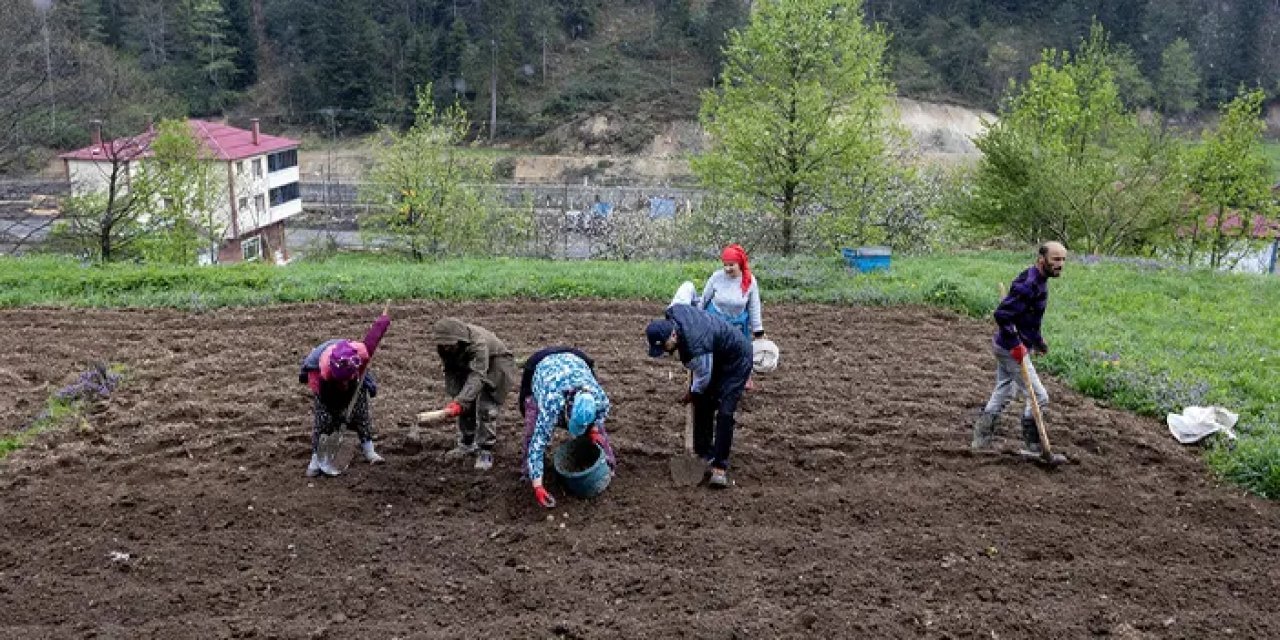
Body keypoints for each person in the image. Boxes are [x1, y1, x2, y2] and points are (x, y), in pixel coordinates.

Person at [971, 242, 1068, 454]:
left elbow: (1029, 318)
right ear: (1042, 259)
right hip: (1010, 348)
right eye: (1056, 259)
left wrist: (1038, 341)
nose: (1060, 264)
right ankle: (1034, 445)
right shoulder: (1030, 284)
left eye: (1063, 260)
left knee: (1004, 391)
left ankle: (981, 439)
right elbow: (1002, 315)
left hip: (1011, 345)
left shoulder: (1039, 280)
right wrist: (1016, 346)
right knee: (1040, 396)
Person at [645, 303, 752, 488]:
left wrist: (692, 392)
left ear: (673, 335)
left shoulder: (695, 351)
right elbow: (688, 286)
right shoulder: (675, 310)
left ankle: (720, 467)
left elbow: (703, 378)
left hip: (736, 359)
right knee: (703, 402)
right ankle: (704, 452)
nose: (665, 351)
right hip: (714, 353)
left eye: (664, 347)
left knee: (725, 412)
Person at [299, 304, 391, 477]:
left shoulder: (361, 353)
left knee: (361, 410)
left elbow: (374, 336)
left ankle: (369, 449)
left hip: (353, 372)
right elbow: (328, 400)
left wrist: (383, 320)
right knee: (324, 417)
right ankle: (316, 458)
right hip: (320, 375)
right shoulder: (323, 373)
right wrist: (340, 415)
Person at [522, 350, 615, 508]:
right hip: (543, 373)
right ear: (566, 411)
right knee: (532, 432)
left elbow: (599, 417)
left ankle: (607, 466)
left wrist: (593, 431)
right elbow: (537, 445)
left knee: (599, 433)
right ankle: (528, 475)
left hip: (576, 363)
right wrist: (538, 486)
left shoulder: (600, 400)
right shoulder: (551, 403)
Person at [429, 318, 516, 471]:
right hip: (468, 366)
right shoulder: (444, 347)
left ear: (459, 340)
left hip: (496, 364)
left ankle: (485, 450)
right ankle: (467, 443)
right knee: (465, 404)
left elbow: (478, 375)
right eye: (443, 344)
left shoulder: (477, 344)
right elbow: (451, 370)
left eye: (449, 344)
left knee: (486, 407)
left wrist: (461, 400)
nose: (445, 347)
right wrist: (458, 398)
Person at [700, 243, 765, 343]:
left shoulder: (749, 280)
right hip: (715, 322)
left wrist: (758, 331)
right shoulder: (717, 277)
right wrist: (695, 318)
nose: (727, 268)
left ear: (740, 264)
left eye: (731, 265)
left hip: (738, 326)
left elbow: (754, 306)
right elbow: (704, 298)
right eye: (725, 264)